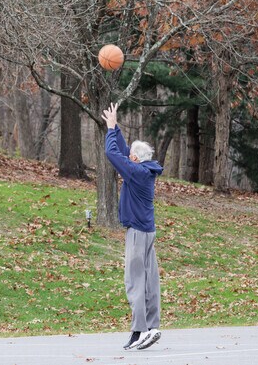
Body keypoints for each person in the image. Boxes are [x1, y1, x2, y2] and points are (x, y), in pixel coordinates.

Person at [101, 102, 163, 351]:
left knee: (134, 282)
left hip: (137, 233)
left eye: (131, 158)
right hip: (148, 231)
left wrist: (109, 132)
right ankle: (151, 328)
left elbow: (113, 155)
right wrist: (115, 127)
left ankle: (141, 331)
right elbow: (125, 151)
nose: (128, 159)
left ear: (135, 159)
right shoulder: (144, 170)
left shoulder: (135, 172)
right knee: (149, 281)